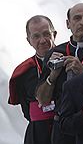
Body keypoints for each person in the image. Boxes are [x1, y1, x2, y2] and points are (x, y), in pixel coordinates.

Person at [36, 3, 83, 144]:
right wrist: (53, 76)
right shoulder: (55, 53)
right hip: (63, 127)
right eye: (77, 18)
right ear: (68, 24)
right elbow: (42, 100)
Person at [8, 15, 57, 144]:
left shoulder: (69, 59)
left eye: (46, 34)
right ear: (29, 40)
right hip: (37, 132)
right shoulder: (24, 71)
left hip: (65, 129)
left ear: (54, 35)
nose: (42, 40)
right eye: (36, 36)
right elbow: (25, 108)